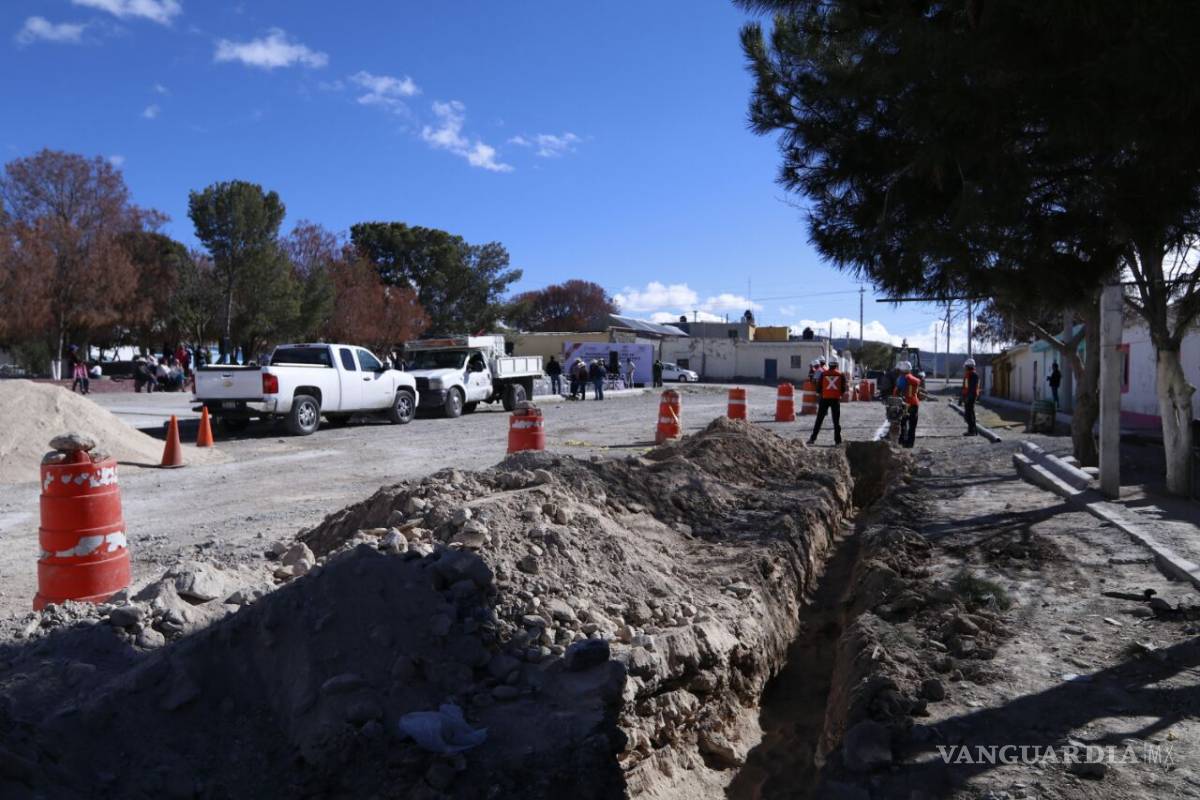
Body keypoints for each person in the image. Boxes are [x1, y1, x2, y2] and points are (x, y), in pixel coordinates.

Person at [808, 356, 846, 445]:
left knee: (819, 420)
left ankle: (812, 439)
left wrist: (823, 393)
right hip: (835, 400)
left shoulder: (823, 374)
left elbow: (818, 388)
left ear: (829, 364)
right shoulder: (841, 374)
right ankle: (838, 441)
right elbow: (843, 389)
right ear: (837, 364)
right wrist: (838, 394)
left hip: (824, 399)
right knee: (836, 421)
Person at [894, 360, 922, 447]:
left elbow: (898, 390)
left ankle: (902, 441)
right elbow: (916, 392)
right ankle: (910, 443)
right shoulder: (915, 380)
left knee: (903, 423)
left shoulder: (902, 378)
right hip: (914, 404)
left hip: (905, 404)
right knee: (912, 425)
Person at [961, 357, 980, 436]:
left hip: (971, 397)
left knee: (970, 414)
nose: (965, 368)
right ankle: (971, 430)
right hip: (967, 396)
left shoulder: (974, 375)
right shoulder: (968, 375)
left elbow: (972, 387)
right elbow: (965, 387)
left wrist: (969, 397)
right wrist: (962, 397)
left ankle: (972, 431)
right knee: (968, 414)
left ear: (969, 366)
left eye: (966, 367)